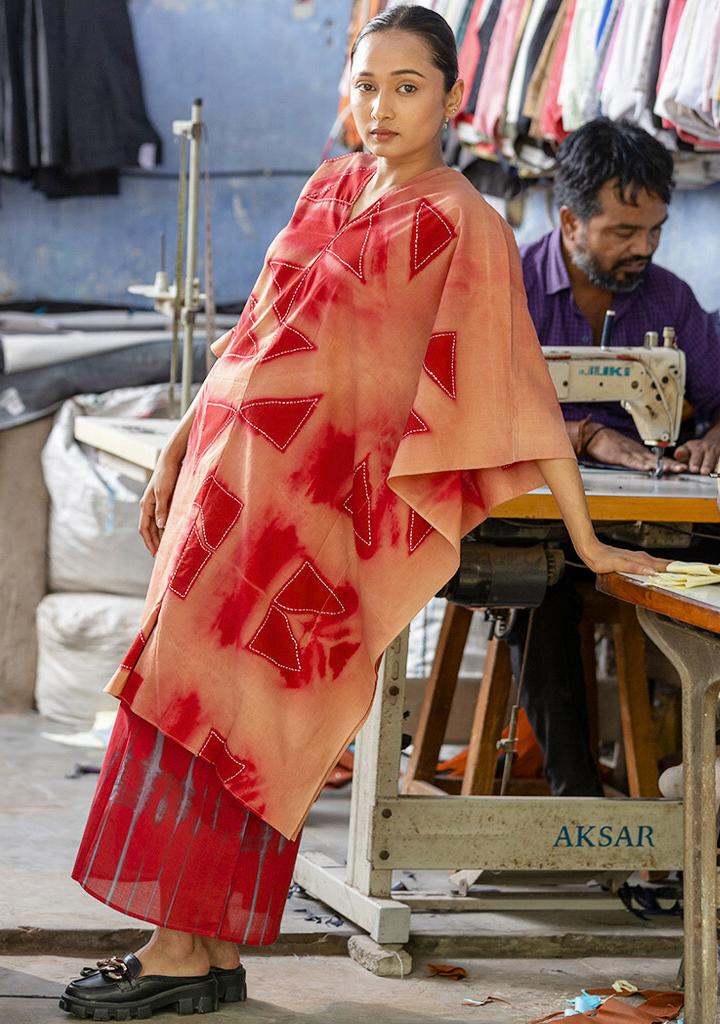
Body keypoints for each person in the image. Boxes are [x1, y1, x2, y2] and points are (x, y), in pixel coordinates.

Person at [59, 10, 668, 1020]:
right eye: (365, 84)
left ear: (454, 98)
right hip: (223, 495)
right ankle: (201, 947)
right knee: (177, 702)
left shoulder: (464, 223)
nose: (379, 106)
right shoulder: (331, 184)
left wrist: (588, 538)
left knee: (244, 721)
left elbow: (515, 390)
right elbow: (253, 332)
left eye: (406, 87)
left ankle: (179, 950)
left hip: (309, 526)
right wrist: (178, 444)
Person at [510, 118, 720, 798]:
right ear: (570, 221)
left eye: (655, 230)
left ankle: (707, 777)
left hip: (643, 522)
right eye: (624, 232)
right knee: (538, 596)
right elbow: (472, 407)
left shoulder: (669, 298)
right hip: (536, 525)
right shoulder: (507, 289)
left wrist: (714, 436)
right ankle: (579, 807)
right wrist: (583, 436)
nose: (644, 248)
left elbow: (718, 397)